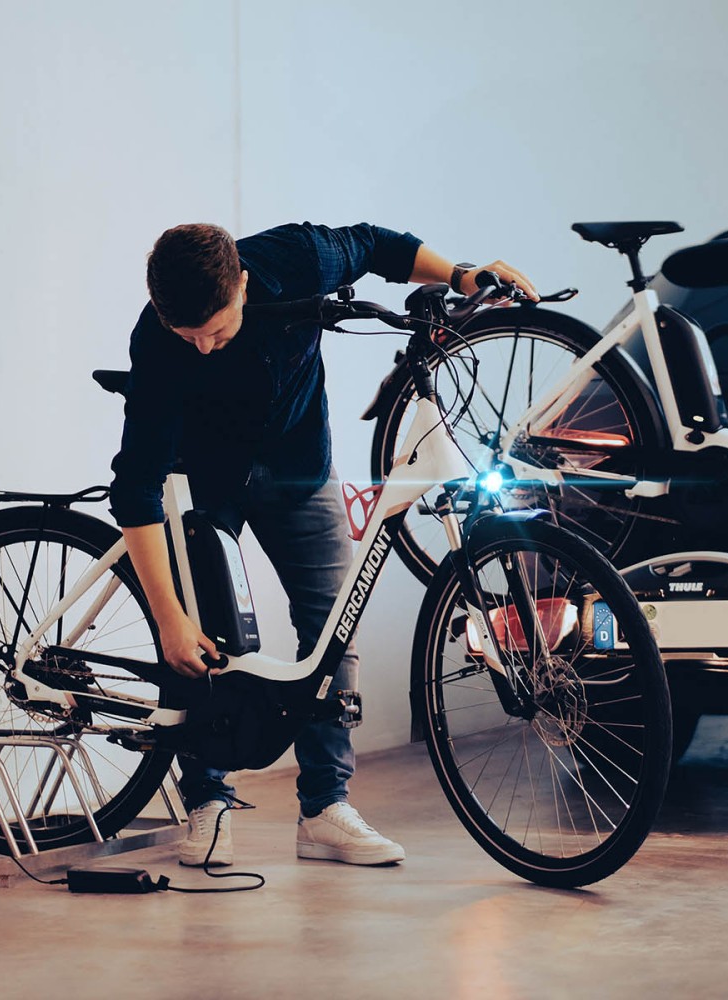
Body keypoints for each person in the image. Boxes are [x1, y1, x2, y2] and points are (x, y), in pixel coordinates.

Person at [109, 221, 537, 868]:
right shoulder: (157, 339)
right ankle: (206, 800)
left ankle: (324, 809)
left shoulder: (300, 258)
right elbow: (136, 489)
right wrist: (169, 619)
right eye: (187, 335)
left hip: (298, 469)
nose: (202, 348)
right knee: (204, 636)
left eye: (216, 331)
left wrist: (460, 275)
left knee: (333, 622)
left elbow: (379, 246)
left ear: (243, 285)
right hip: (205, 481)